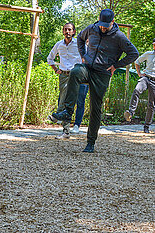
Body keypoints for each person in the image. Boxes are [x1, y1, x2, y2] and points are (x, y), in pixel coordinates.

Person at [51, 9, 138, 152]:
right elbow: (79, 38)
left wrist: (116, 65)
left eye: (106, 25)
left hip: (102, 73)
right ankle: (67, 111)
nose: (103, 28)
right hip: (88, 67)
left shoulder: (119, 37)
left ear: (113, 22)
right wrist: (83, 55)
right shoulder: (92, 28)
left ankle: (90, 142)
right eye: (101, 24)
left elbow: (134, 53)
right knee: (75, 71)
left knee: (95, 108)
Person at [47, 22, 89, 138]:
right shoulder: (59, 45)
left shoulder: (79, 44)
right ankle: (65, 131)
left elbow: (88, 56)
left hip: (78, 75)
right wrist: (56, 69)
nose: (67, 32)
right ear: (62, 31)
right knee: (64, 101)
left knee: (79, 100)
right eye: (65, 29)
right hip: (64, 75)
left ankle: (75, 124)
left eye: (69, 29)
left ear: (74, 32)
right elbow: (50, 58)